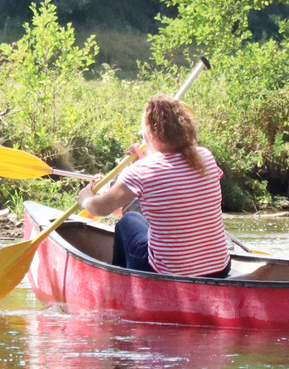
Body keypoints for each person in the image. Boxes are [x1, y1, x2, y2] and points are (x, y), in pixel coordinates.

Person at [76, 94, 231, 278]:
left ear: (150, 133)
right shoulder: (205, 156)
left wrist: (85, 198)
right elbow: (174, 175)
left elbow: (100, 208)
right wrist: (148, 159)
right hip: (220, 268)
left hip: (167, 273)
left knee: (129, 220)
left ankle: (120, 282)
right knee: (141, 220)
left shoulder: (142, 170)